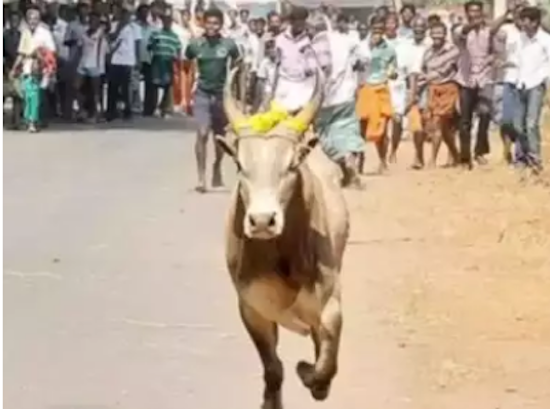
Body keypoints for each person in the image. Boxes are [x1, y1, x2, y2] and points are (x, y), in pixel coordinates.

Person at [184, 7, 240, 193]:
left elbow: (238, 65)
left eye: (216, 23)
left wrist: (236, 93)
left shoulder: (229, 45)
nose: (212, 27)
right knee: (202, 132)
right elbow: (187, 61)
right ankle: (201, 178)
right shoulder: (196, 45)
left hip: (221, 96)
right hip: (202, 94)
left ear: (221, 25)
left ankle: (217, 167)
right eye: (209, 23)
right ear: (203, 23)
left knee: (220, 138)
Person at [453, 1, 509, 168]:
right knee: (465, 121)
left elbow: (494, 50)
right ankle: (464, 158)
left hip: (484, 78)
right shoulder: (459, 30)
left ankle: (480, 152)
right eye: (472, 11)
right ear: (467, 13)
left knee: (485, 115)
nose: (475, 14)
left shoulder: (488, 32)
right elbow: (462, 33)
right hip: (466, 80)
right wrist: (473, 25)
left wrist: (491, 60)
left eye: (478, 11)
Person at [315, 14, 363, 187]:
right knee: (349, 131)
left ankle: (343, 161)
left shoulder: (311, 45)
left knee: (324, 135)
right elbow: (364, 59)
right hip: (346, 96)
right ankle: (350, 160)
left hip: (324, 100)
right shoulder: (345, 40)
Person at [410, 22, 460, 169]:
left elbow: (447, 69)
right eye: (434, 32)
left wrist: (428, 77)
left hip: (448, 88)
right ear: (430, 34)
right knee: (439, 127)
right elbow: (422, 71)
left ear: (445, 34)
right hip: (432, 89)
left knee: (440, 124)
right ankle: (455, 154)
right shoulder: (428, 52)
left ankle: (433, 159)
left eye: (440, 32)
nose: (437, 35)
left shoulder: (452, 50)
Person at [355, 16, 397, 173]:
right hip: (365, 88)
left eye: (380, 31)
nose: (377, 34)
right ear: (370, 29)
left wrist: (392, 74)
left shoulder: (390, 49)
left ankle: (382, 161)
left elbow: (394, 69)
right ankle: (360, 160)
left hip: (381, 89)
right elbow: (354, 66)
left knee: (382, 127)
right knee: (361, 127)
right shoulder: (360, 47)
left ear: (384, 31)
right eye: (375, 30)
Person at [513, 6, 550, 171]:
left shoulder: (545, 40)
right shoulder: (521, 38)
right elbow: (518, 60)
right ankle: (522, 157)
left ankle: (535, 161)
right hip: (521, 84)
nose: (522, 23)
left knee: (531, 124)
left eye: (526, 20)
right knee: (518, 125)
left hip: (536, 85)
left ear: (535, 22)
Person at [11, 6, 56, 133]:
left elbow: (52, 50)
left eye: (36, 18)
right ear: (27, 20)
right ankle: (30, 119)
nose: (33, 21)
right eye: (30, 18)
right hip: (27, 67)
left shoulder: (45, 33)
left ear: (39, 19)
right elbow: (21, 52)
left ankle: (32, 121)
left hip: (40, 68)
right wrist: (14, 69)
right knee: (27, 96)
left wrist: (40, 54)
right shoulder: (24, 33)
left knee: (35, 96)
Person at [106, 6, 138, 121]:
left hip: (128, 60)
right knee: (113, 87)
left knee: (126, 88)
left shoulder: (134, 28)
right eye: (124, 14)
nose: (125, 17)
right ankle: (111, 111)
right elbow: (111, 38)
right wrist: (118, 29)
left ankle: (127, 111)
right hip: (115, 59)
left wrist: (137, 60)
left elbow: (137, 43)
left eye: (128, 15)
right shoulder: (115, 25)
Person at [75, 11, 107, 122]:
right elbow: (79, 48)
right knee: (77, 87)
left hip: (95, 65)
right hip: (83, 64)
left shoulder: (101, 34)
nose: (92, 23)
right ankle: (81, 110)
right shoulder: (84, 34)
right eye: (91, 20)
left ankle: (97, 114)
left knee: (96, 92)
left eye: (95, 20)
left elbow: (106, 50)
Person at [148, 12, 182, 117]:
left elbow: (178, 49)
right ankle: (154, 108)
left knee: (167, 86)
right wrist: (154, 46)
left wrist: (177, 58)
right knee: (155, 85)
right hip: (157, 61)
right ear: (162, 22)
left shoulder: (174, 36)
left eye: (169, 21)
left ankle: (163, 108)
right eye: (165, 21)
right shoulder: (156, 33)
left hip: (168, 62)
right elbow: (149, 46)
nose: (167, 23)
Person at [171, 8, 194, 113]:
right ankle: (178, 101)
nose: (186, 18)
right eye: (184, 15)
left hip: (188, 58)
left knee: (188, 82)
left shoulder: (190, 29)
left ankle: (186, 102)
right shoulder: (175, 28)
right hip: (178, 57)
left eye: (188, 16)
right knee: (178, 80)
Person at [4, 11, 23, 129]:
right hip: (6, 67)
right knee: (4, 94)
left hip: (19, 68)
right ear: (9, 21)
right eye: (12, 20)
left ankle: (16, 121)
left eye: (16, 20)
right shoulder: (4, 35)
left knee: (18, 95)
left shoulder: (22, 35)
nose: (14, 22)